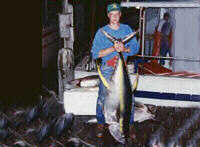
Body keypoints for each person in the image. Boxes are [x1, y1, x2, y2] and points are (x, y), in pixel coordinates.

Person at [91, 3, 139, 139]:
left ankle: (129, 124)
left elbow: (135, 49)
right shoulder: (101, 33)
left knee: (129, 98)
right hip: (107, 69)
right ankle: (100, 123)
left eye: (117, 13)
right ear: (108, 15)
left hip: (121, 66)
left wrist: (123, 49)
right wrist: (114, 48)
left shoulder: (127, 29)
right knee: (102, 97)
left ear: (120, 15)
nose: (114, 16)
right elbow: (95, 54)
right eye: (112, 14)